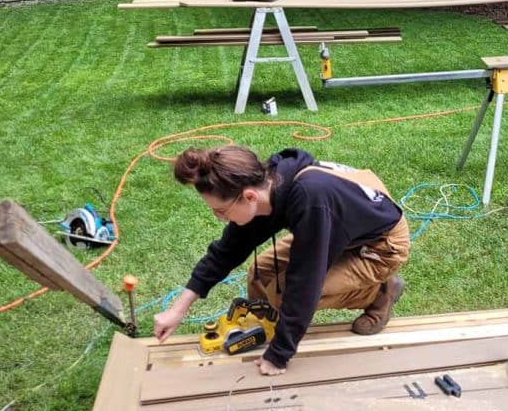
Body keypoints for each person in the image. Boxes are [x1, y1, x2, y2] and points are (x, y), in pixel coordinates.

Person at [152, 146, 410, 375]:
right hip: (338, 226)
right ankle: (272, 324)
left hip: (379, 245)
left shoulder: (310, 202)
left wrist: (279, 354)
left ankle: (380, 293)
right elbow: (226, 251)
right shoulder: (269, 185)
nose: (220, 218)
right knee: (259, 274)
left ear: (250, 196)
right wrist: (178, 310)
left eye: (221, 211)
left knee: (287, 292)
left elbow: (304, 285)